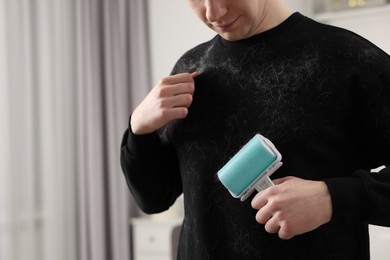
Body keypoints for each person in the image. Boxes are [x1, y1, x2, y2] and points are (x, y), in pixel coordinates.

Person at [120, 0, 390, 259]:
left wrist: (332, 198)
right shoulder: (190, 68)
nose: (214, 12)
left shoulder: (348, 59)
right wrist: (139, 129)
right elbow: (154, 199)